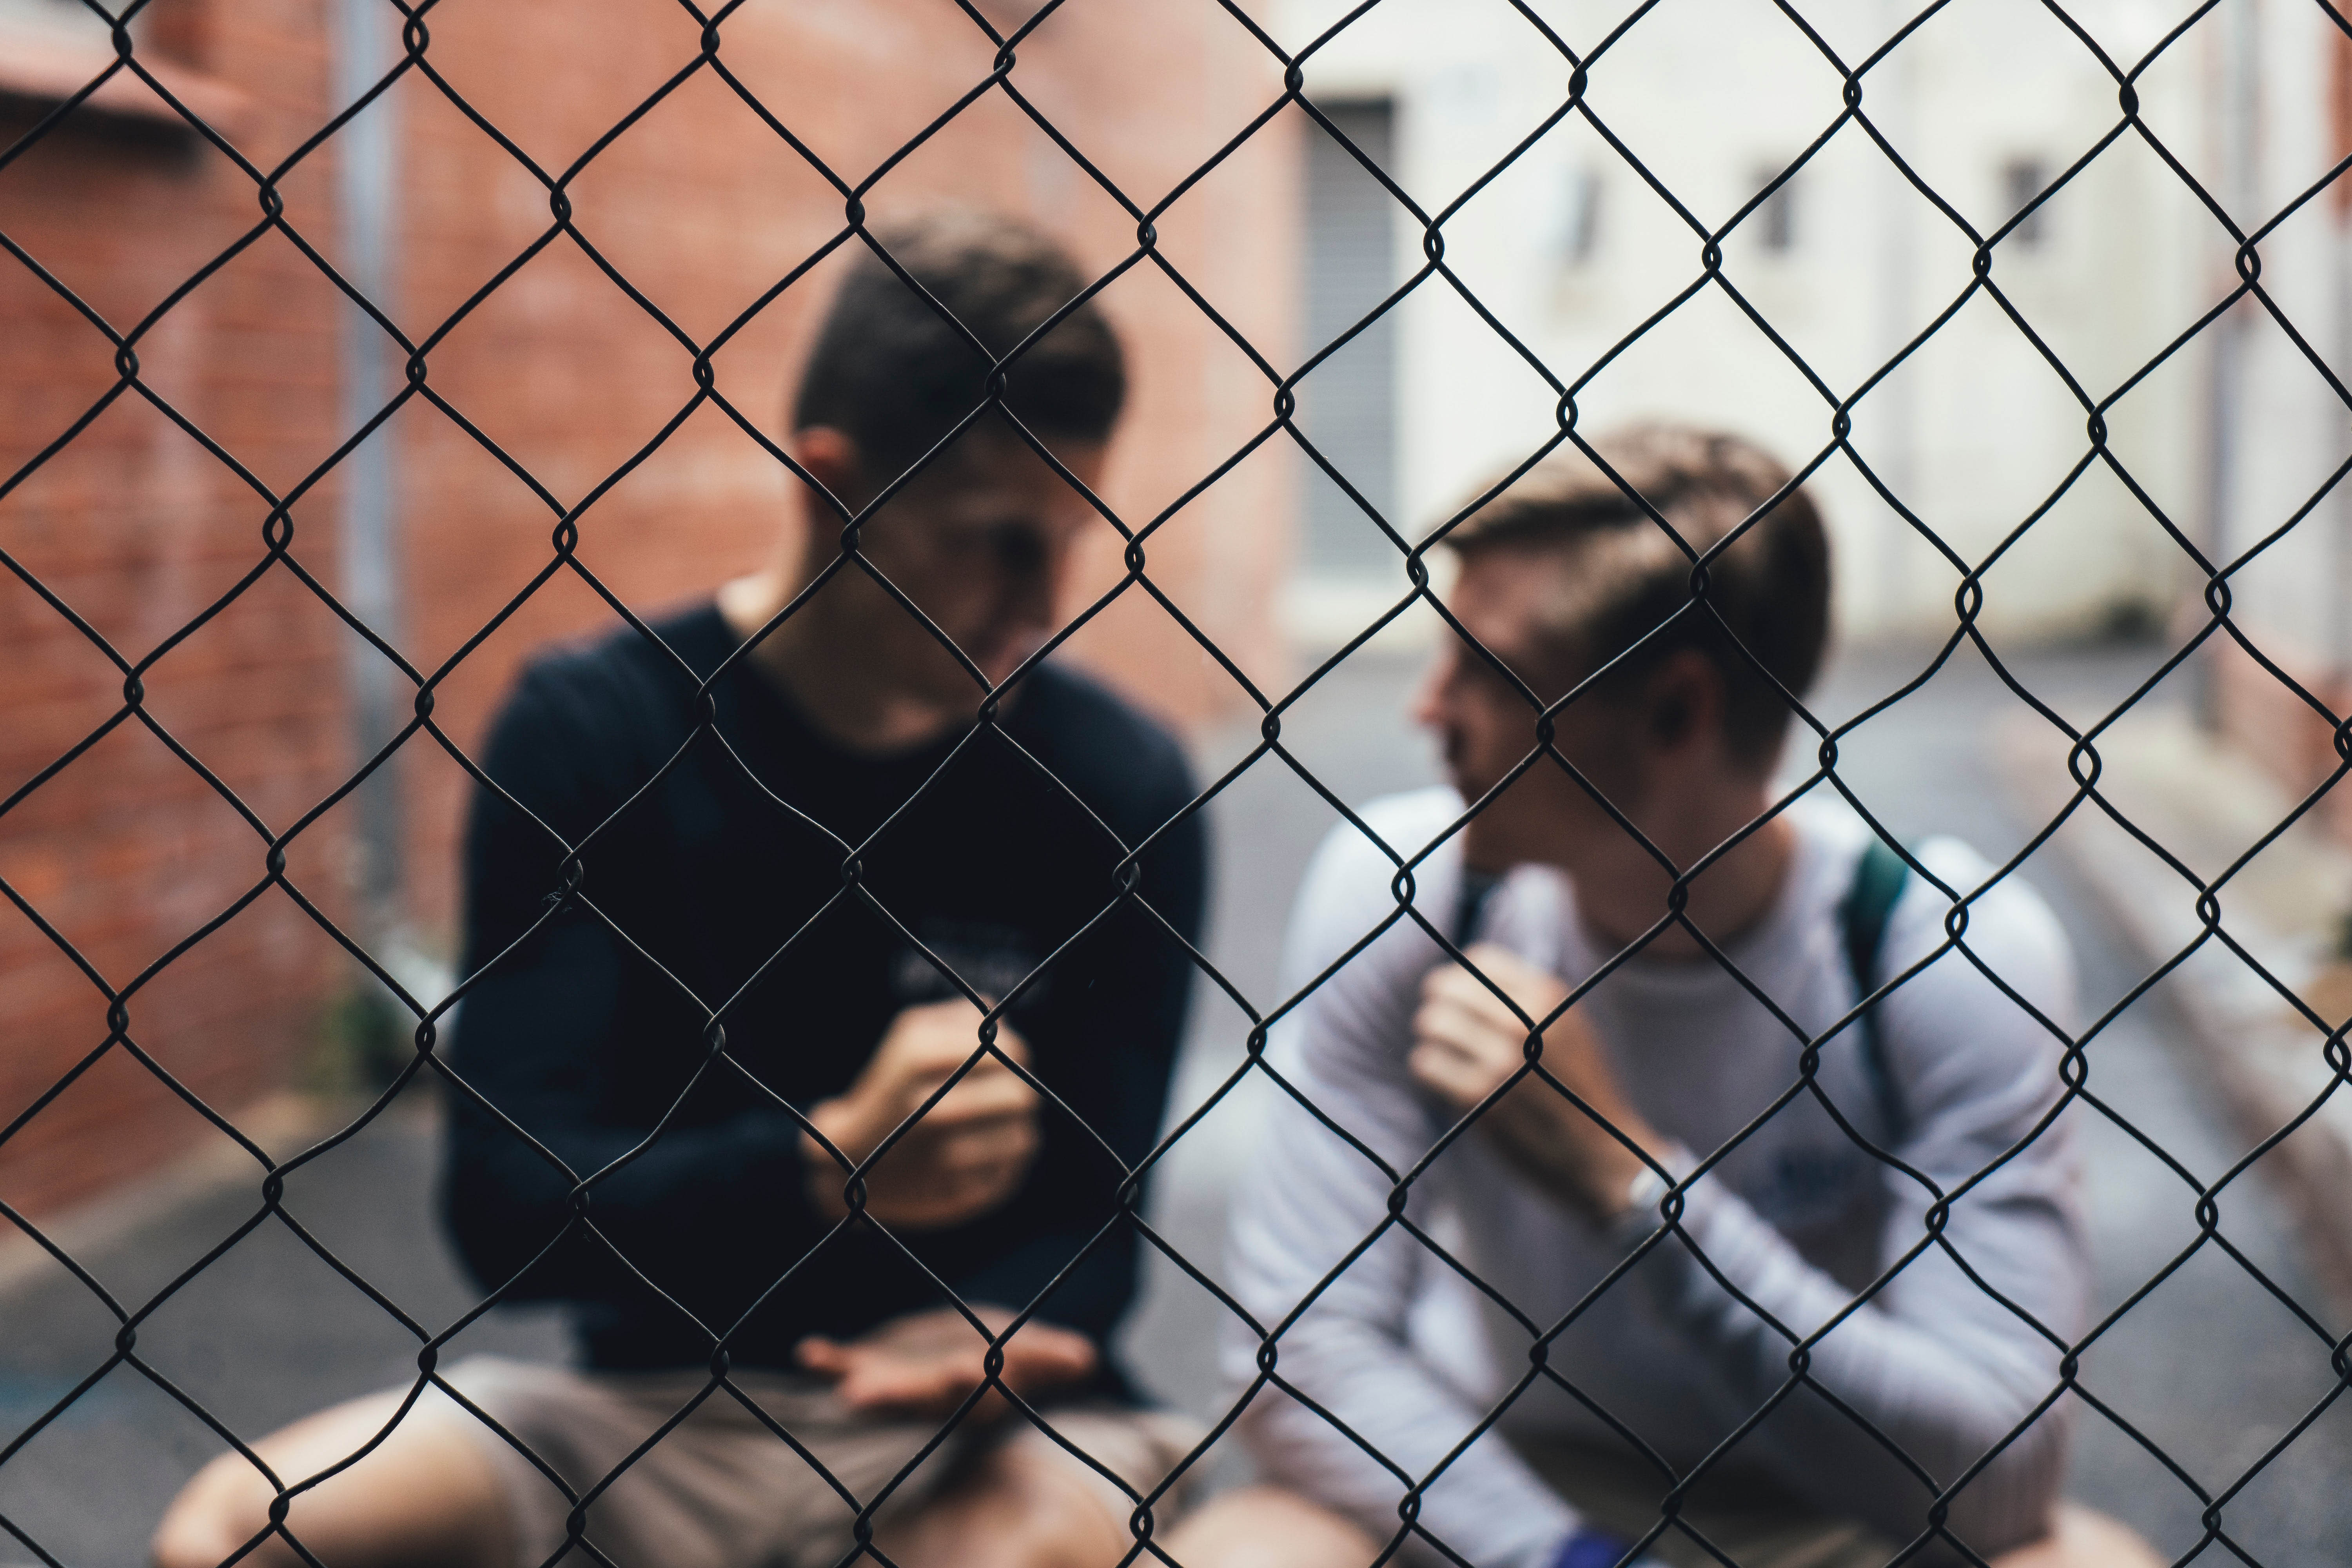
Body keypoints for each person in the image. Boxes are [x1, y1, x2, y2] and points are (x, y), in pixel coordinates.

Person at [152, 211, 1222, 1568]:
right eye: (998, 541)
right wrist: (821, 1173)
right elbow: (504, 1206)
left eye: (1076, 536)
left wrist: (1012, 1326)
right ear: (831, 489)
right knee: (238, 1532)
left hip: (985, 1432)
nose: (1048, 598)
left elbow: (1102, 1219)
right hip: (649, 1410)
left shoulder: (1117, 783)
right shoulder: (604, 730)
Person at [1216, 426, 2154, 1568]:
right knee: (1250, 1548)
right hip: (1511, 1482)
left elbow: (2001, 1482)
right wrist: (1565, 1558)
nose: (1428, 709)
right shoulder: (1409, 892)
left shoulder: (1932, 949)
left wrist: (1634, 1186)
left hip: (1835, 1504)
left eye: (1488, 672)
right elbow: (1298, 1356)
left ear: (1676, 714)